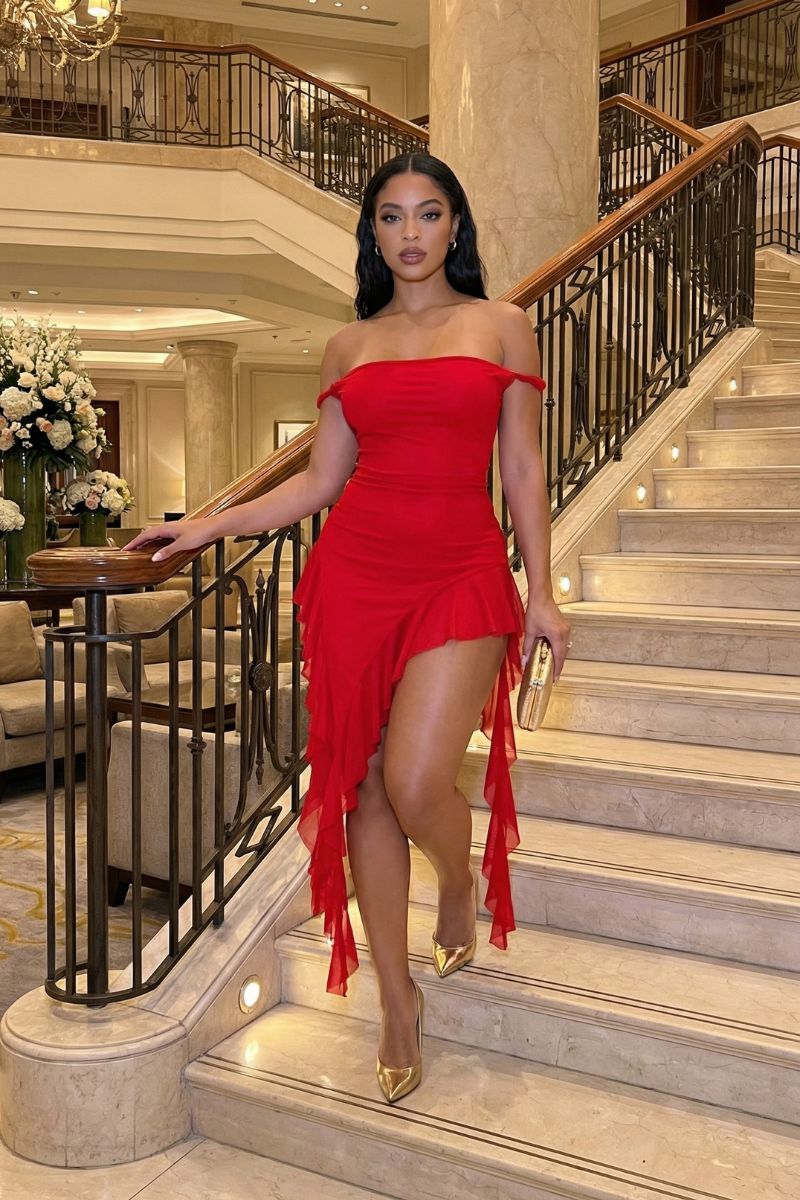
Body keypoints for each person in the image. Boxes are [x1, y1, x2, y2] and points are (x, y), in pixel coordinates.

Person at [126, 151, 571, 1105]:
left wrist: (542, 588)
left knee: (416, 781)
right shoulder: (347, 346)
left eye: (430, 214)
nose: (411, 233)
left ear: (457, 228)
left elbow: (523, 470)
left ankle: (456, 876)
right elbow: (321, 482)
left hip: (459, 571)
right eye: (392, 217)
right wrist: (209, 520)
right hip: (357, 576)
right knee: (365, 791)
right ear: (372, 234)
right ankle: (395, 998)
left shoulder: (503, 327)